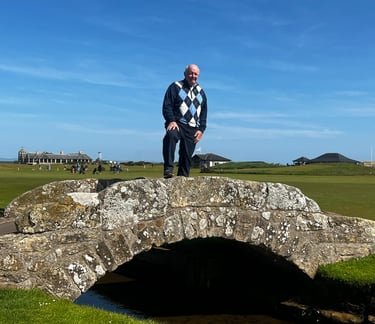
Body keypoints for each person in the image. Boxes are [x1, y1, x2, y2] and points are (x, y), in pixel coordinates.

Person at [162, 64, 208, 178]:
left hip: (192, 128)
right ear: (185, 74)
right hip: (177, 123)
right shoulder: (175, 86)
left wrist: (201, 130)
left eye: (196, 74)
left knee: (187, 155)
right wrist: (171, 120)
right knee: (171, 136)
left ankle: (183, 178)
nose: (193, 76)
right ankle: (168, 169)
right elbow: (167, 105)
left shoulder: (201, 92)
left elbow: (204, 113)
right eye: (191, 73)